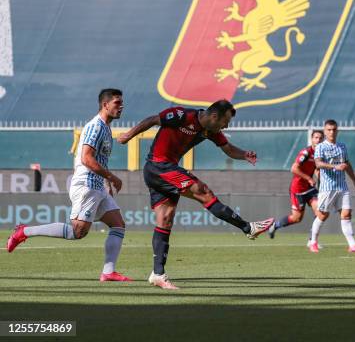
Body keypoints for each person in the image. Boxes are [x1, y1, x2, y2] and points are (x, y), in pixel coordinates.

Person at [117, 99, 274, 289]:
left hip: (164, 169)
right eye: (225, 122)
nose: (226, 126)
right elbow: (152, 120)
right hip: (159, 166)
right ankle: (248, 228)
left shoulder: (211, 131)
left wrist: (244, 155)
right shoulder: (183, 116)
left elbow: (229, 149)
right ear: (214, 116)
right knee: (203, 191)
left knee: (165, 219)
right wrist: (128, 135)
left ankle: (158, 274)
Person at [6, 89, 131, 282]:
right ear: (105, 105)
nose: (121, 106)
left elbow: (99, 159)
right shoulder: (95, 127)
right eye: (117, 102)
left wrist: (106, 182)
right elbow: (86, 158)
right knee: (77, 232)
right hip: (87, 184)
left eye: (121, 102)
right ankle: (24, 232)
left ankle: (108, 272)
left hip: (97, 185)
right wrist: (112, 177)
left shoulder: (106, 128)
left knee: (118, 225)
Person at [308, 119, 355, 253]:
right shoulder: (320, 147)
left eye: (334, 129)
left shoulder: (342, 146)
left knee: (346, 214)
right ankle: (313, 242)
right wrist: (335, 166)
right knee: (323, 215)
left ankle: (352, 246)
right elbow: (318, 164)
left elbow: (347, 165)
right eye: (329, 129)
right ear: (325, 131)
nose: (331, 132)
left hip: (342, 186)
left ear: (337, 130)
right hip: (327, 188)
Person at [268, 130, 324, 239]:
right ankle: (275, 226)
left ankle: (312, 241)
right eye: (316, 137)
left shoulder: (320, 154)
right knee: (297, 218)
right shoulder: (306, 152)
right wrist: (308, 178)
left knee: (320, 212)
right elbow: (294, 168)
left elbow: (317, 169)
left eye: (320, 138)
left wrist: (321, 178)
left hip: (310, 189)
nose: (318, 140)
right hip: (298, 189)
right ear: (312, 139)